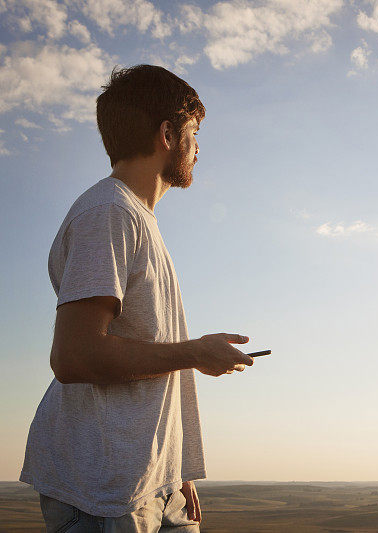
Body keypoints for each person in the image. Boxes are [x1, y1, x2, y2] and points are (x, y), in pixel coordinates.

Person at [19, 64, 256, 532]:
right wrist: (196, 353)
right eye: (193, 132)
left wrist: (176, 469)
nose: (198, 147)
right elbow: (74, 357)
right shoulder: (109, 212)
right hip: (105, 491)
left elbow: (141, 350)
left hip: (151, 482)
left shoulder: (136, 217)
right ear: (167, 134)